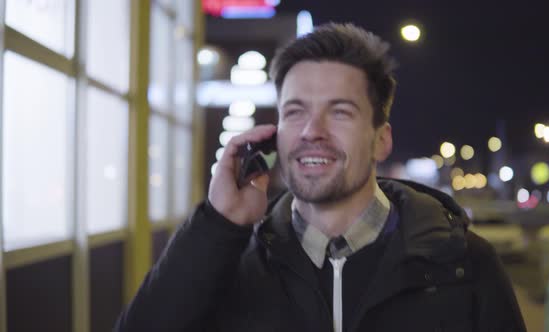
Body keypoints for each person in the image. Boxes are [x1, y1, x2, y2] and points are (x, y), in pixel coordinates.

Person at [115, 23, 526, 332]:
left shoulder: (462, 265)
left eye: (340, 111)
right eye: (295, 111)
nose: (313, 130)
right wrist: (218, 224)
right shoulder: (232, 264)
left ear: (381, 140)